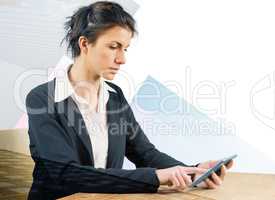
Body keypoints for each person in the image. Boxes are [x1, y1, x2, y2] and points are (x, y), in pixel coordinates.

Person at [25, 1, 233, 199]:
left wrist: (192, 172)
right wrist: (156, 177)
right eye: (113, 46)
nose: (122, 59)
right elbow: (66, 174)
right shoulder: (42, 99)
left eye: (125, 48)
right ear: (85, 44)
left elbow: (145, 154)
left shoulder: (114, 96)